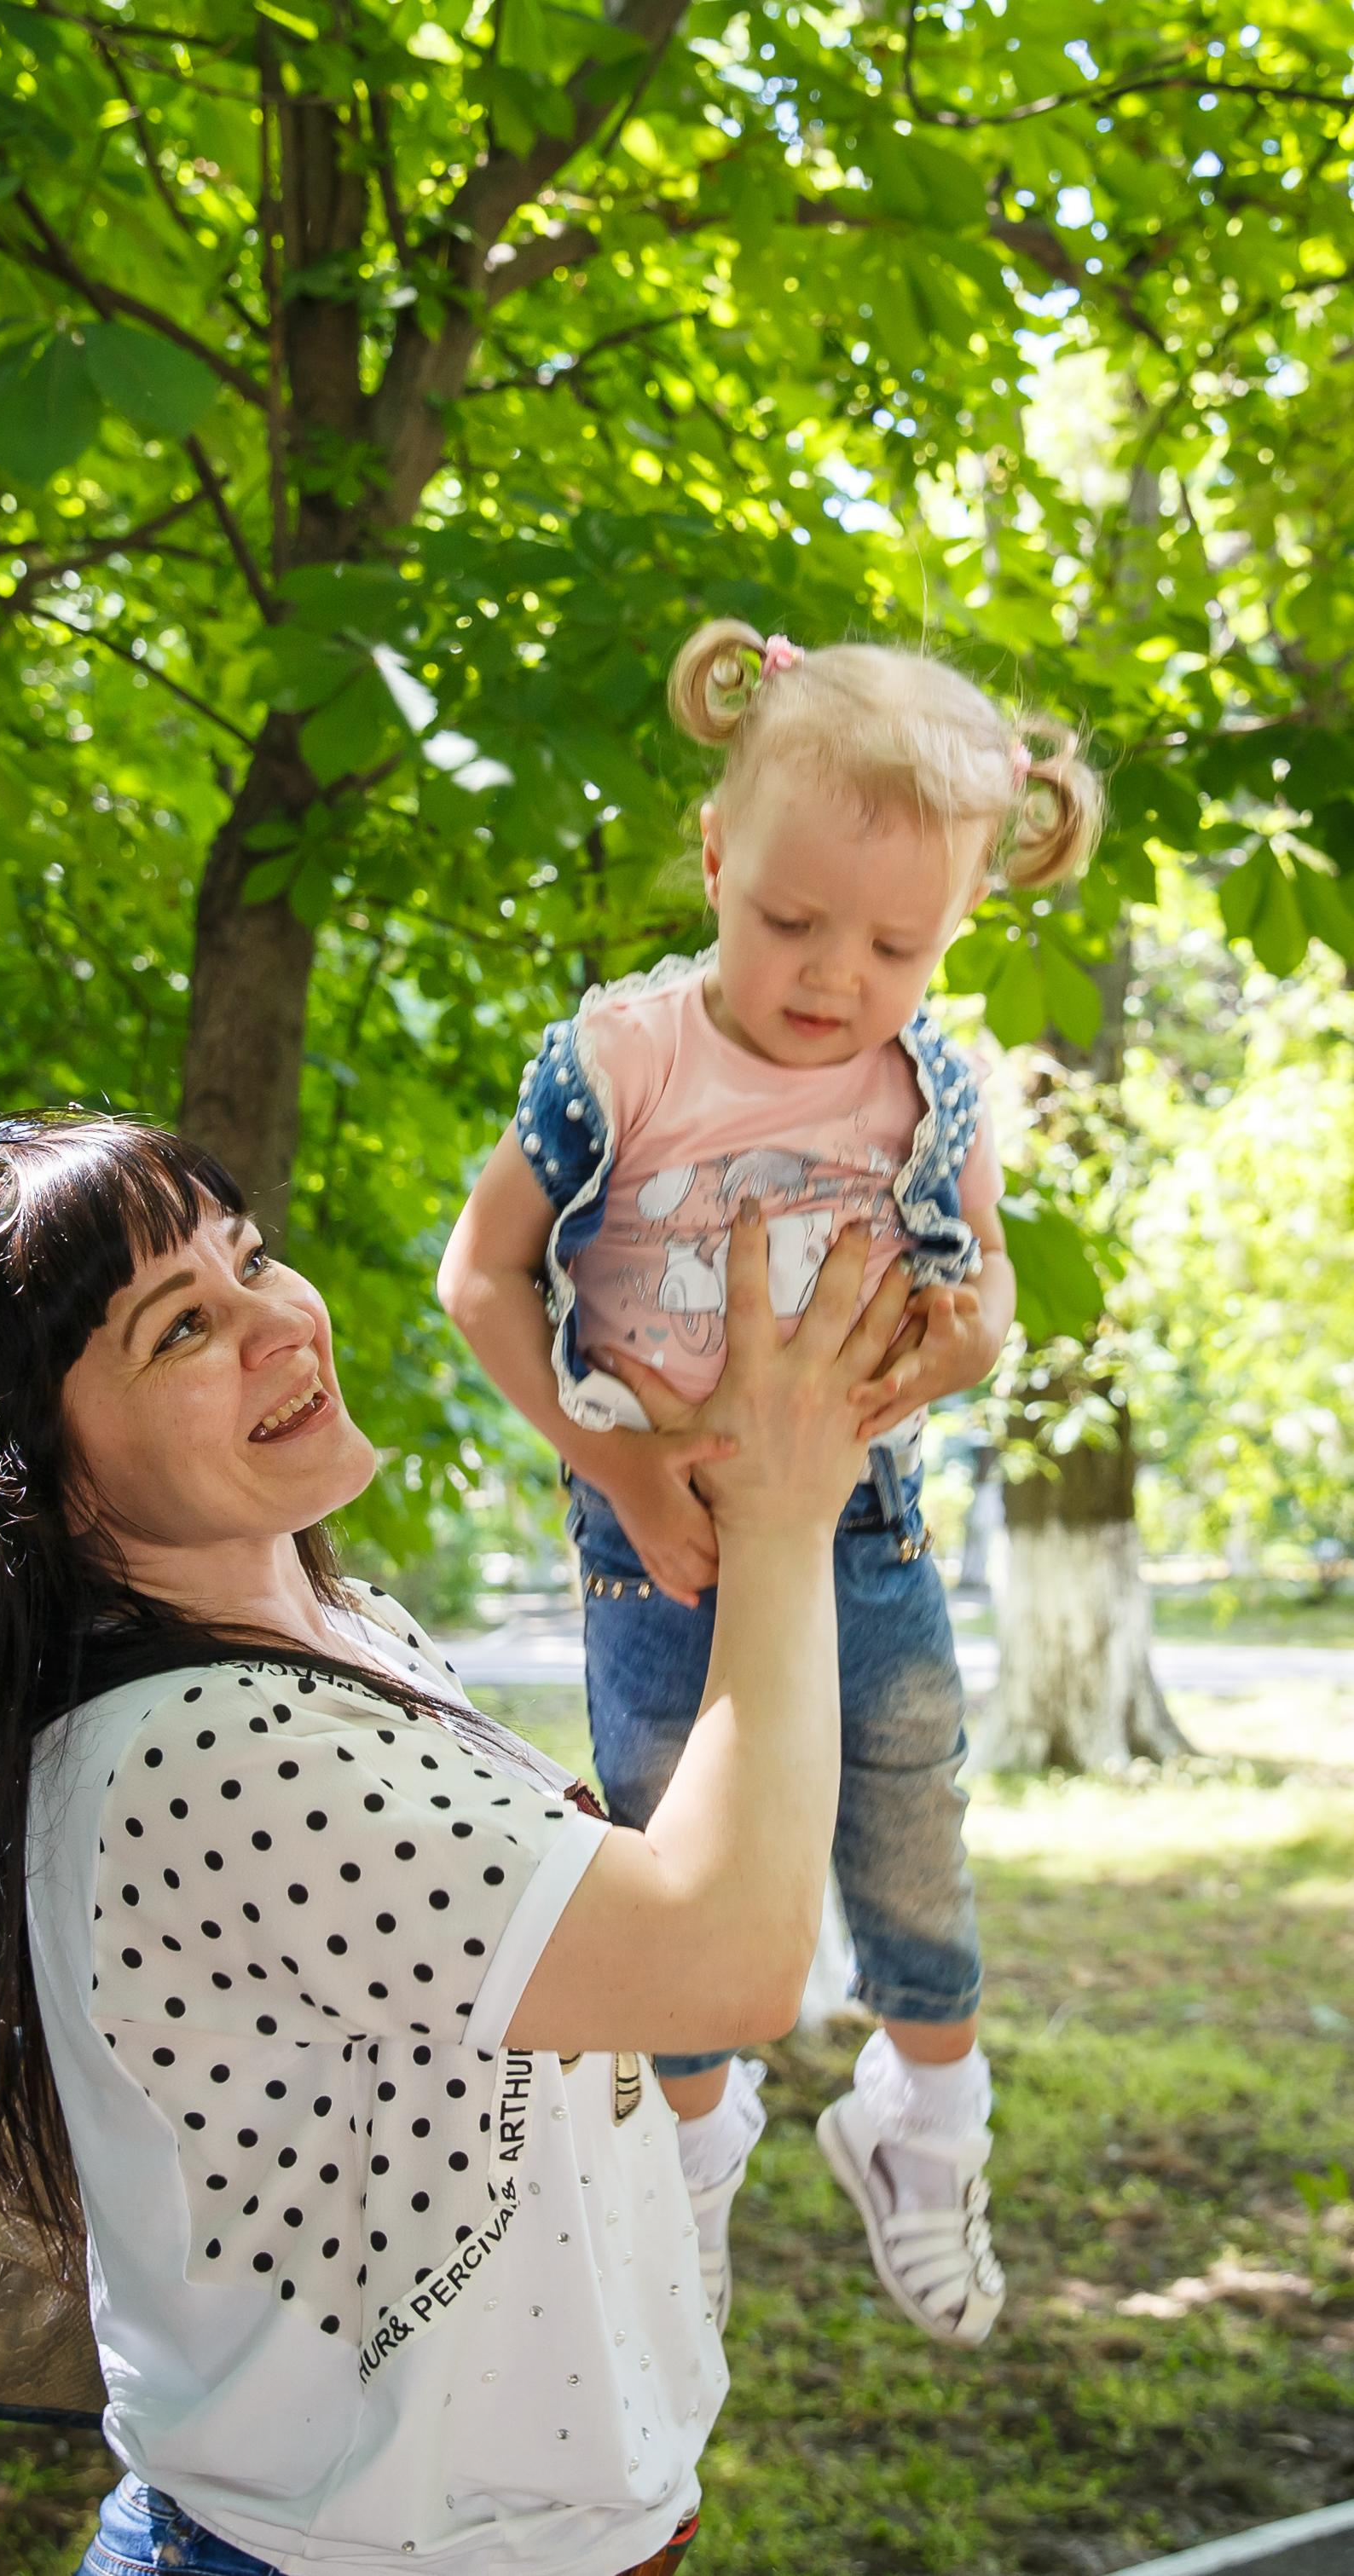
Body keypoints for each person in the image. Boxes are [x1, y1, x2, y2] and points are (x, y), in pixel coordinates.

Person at [0, 1110, 910, 2576]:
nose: (277, 1324)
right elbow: (720, 1956)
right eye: (178, 1330)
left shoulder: (344, 1636)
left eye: (253, 1260)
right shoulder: (195, 1755)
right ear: (41, 1475)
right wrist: (791, 1512)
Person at [439, 623, 1105, 2347]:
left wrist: (963, 1349)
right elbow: (481, 1275)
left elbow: (993, 1290)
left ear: (961, 924)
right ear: (718, 856)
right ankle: (692, 2162)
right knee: (675, 1872)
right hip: (657, 1541)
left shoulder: (925, 1082)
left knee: (912, 1823)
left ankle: (926, 2118)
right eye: (791, 919)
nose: (833, 975)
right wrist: (622, 1461)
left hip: (865, 1530)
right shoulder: (625, 1058)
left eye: (895, 941)